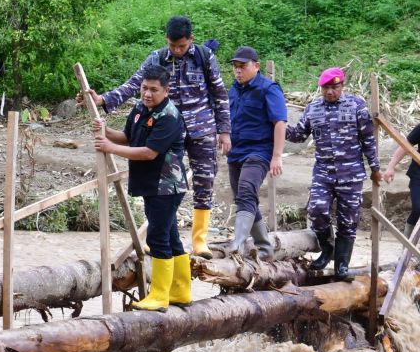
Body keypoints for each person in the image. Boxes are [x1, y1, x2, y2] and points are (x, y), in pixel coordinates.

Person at [81, 15, 230, 259]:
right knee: (164, 184)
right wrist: (104, 100)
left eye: (181, 46)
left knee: (204, 180)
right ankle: (161, 234)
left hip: (200, 128)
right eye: (173, 46)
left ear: (190, 40)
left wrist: (224, 131)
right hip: (167, 129)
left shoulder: (204, 57)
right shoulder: (158, 58)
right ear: (167, 40)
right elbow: (134, 85)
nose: (177, 50)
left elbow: (220, 93)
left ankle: (199, 240)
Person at [91, 65, 191, 311]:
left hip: (166, 185)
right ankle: (181, 291)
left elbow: (148, 152)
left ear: (166, 91)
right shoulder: (139, 109)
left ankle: (159, 295)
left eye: (154, 90)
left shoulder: (169, 116)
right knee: (170, 235)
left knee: (158, 237)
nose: (147, 94)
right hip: (149, 183)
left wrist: (109, 147)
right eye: (144, 88)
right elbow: (127, 137)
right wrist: (105, 132)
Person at [285, 67, 381, 279]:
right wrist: (279, 125)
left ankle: (342, 267)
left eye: (334, 87)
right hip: (323, 173)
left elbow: (368, 139)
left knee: (348, 221)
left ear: (342, 86)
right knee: (317, 210)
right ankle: (327, 248)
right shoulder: (313, 108)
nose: (330, 92)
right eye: (326, 88)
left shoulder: (356, 106)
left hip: (351, 173)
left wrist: (375, 168)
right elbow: (300, 134)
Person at [224, 46, 287, 260]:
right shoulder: (232, 90)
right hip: (236, 152)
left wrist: (277, 156)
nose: (238, 71)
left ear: (256, 66)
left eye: (243, 66)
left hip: (259, 151)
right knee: (244, 198)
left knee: (246, 189)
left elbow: (280, 122)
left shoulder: (269, 89)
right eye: (235, 67)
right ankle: (265, 248)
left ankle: (238, 244)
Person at [382, 122, 420, 238]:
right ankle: (407, 248)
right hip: (418, 175)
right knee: (418, 208)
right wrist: (390, 167)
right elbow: (405, 146)